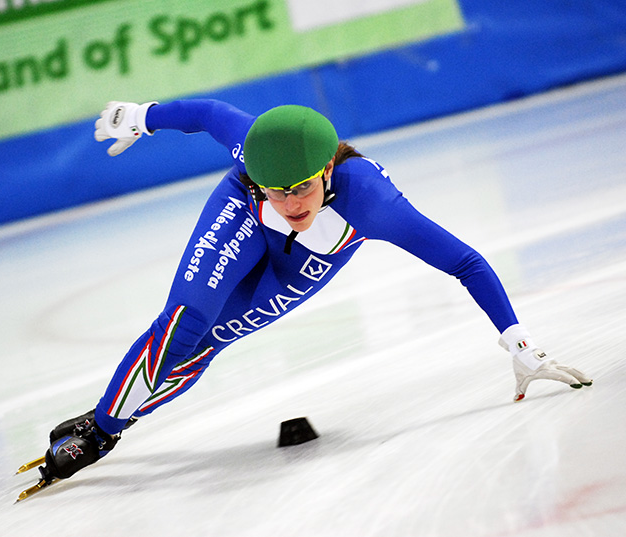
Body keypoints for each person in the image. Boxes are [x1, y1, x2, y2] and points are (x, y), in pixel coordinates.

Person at [37, 99, 592, 483]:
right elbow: (208, 116)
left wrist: (520, 345)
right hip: (239, 214)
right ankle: (103, 425)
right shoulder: (257, 158)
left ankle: (108, 423)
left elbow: (465, 263)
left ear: (327, 169)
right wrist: (140, 117)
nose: (290, 203)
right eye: (276, 191)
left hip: (309, 254)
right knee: (185, 322)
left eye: (300, 187)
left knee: (211, 339)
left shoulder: (373, 203)